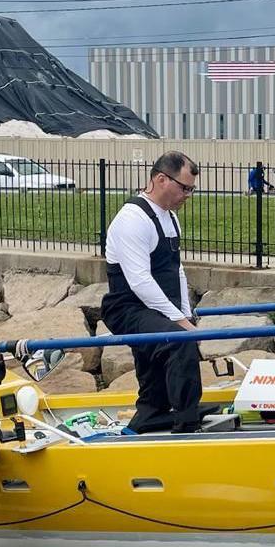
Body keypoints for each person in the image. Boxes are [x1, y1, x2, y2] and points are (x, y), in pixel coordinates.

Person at [102, 151, 203, 433]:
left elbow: (177, 269)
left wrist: (186, 315)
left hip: (157, 305)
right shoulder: (132, 219)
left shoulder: (169, 217)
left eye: (191, 189)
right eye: (184, 188)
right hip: (127, 307)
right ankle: (186, 423)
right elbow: (140, 282)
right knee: (178, 341)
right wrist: (182, 325)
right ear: (160, 179)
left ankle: (152, 411)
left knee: (167, 348)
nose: (188, 195)